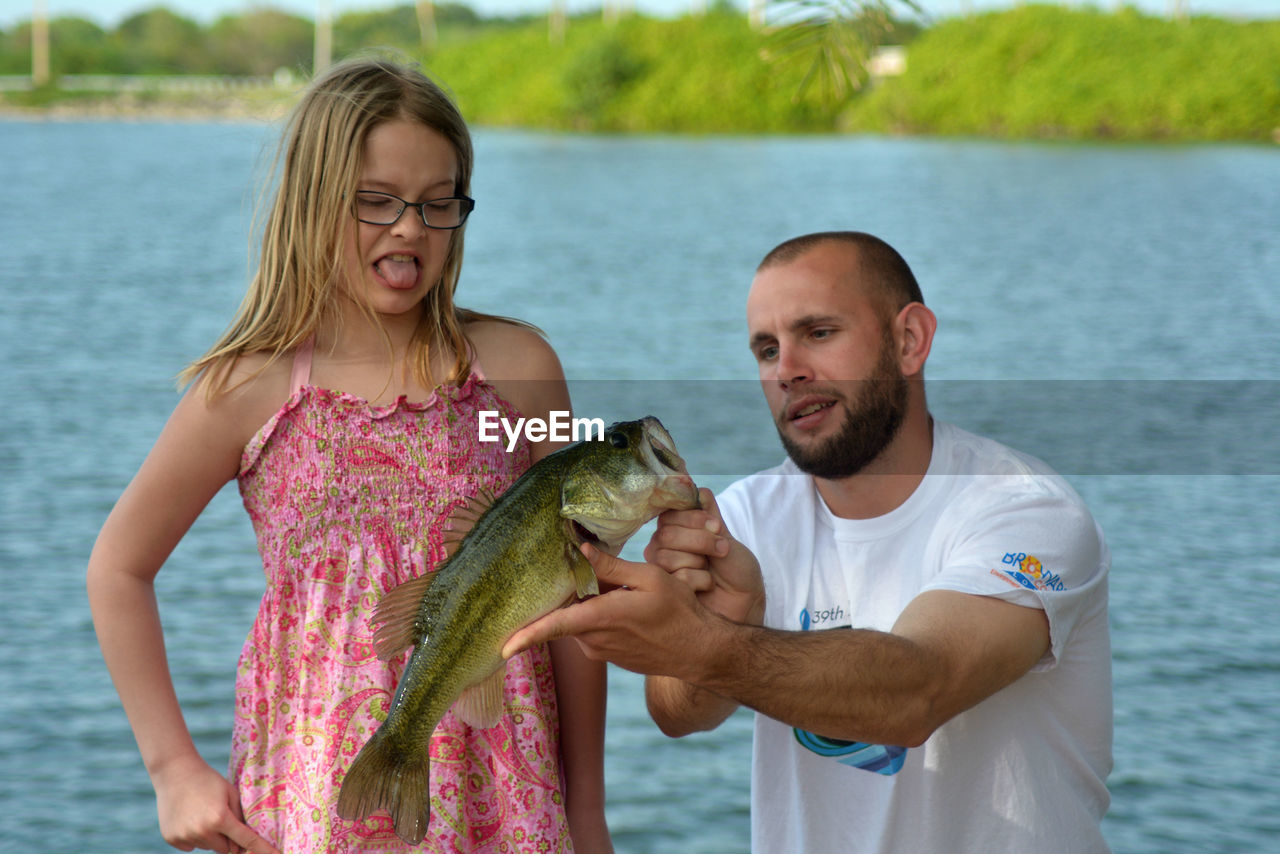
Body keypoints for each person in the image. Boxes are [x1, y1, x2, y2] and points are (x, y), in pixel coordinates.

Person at [87, 58, 612, 854]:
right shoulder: (251, 386)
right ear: (313, 201)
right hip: (314, 787)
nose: (410, 227)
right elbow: (118, 568)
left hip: (506, 794)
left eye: (439, 205)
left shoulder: (519, 371)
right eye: (377, 203)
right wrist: (172, 768)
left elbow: (577, 600)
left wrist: (589, 811)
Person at [505, 231, 1113, 852]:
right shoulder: (745, 515)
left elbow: (918, 693)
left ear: (910, 341)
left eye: (818, 333)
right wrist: (716, 626)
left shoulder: (1029, 513)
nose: (787, 370)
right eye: (766, 350)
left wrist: (705, 642)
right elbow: (675, 713)